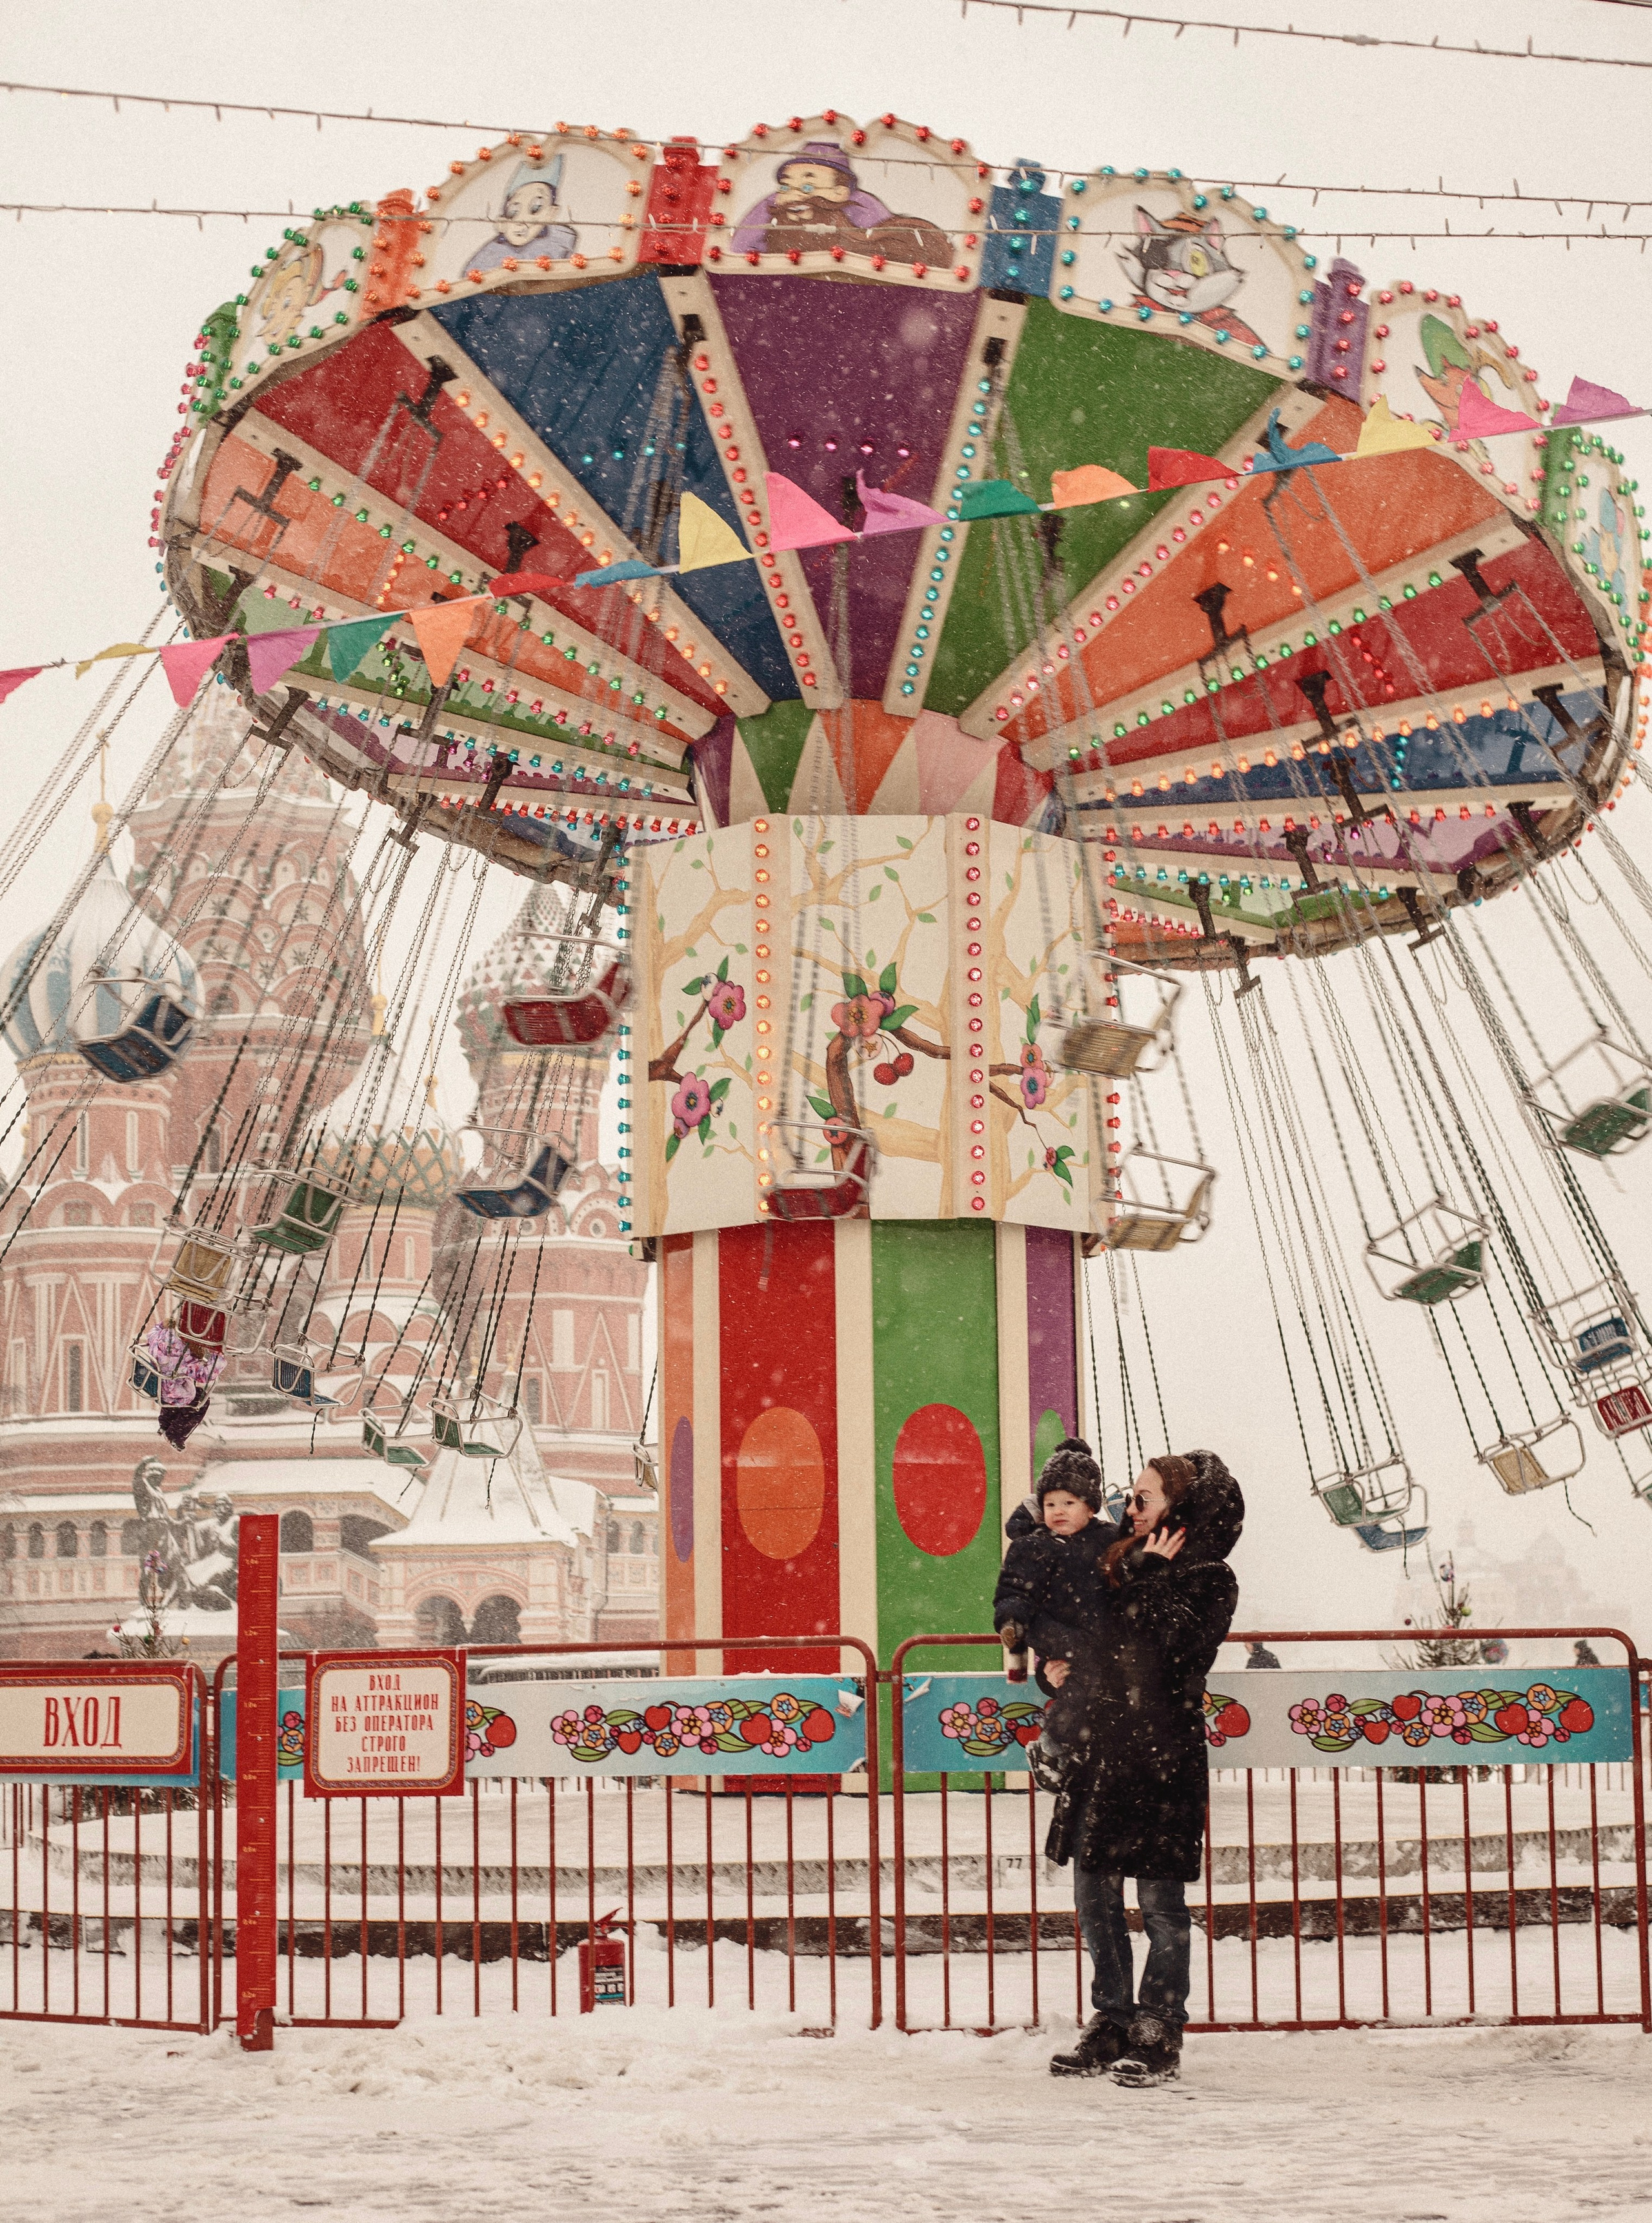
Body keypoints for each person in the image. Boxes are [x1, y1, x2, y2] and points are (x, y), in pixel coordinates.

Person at [1045, 1449, 1244, 2087]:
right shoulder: (1114, 1565)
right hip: (1107, 1753)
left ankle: (1159, 2028)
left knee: (1160, 1905)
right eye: (1129, 1497)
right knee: (1095, 1896)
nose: (1128, 1508)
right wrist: (1061, 1673)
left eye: (1143, 1498)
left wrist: (1150, 1575)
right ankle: (1109, 2021)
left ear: (1178, 1512)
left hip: (1162, 1757)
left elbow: (1173, 1652)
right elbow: (1093, 1645)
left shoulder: (1209, 1578)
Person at [992, 1439, 1110, 1690]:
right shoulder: (1034, 1546)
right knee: (1073, 1711)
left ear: (1090, 1508)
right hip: (1059, 1649)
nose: (1058, 1511)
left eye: (1069, 1503)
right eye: (1050, 1504)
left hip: (1107, 1650)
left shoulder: (1109, 1540)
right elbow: (1015, 1588)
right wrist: (1012, 1620)